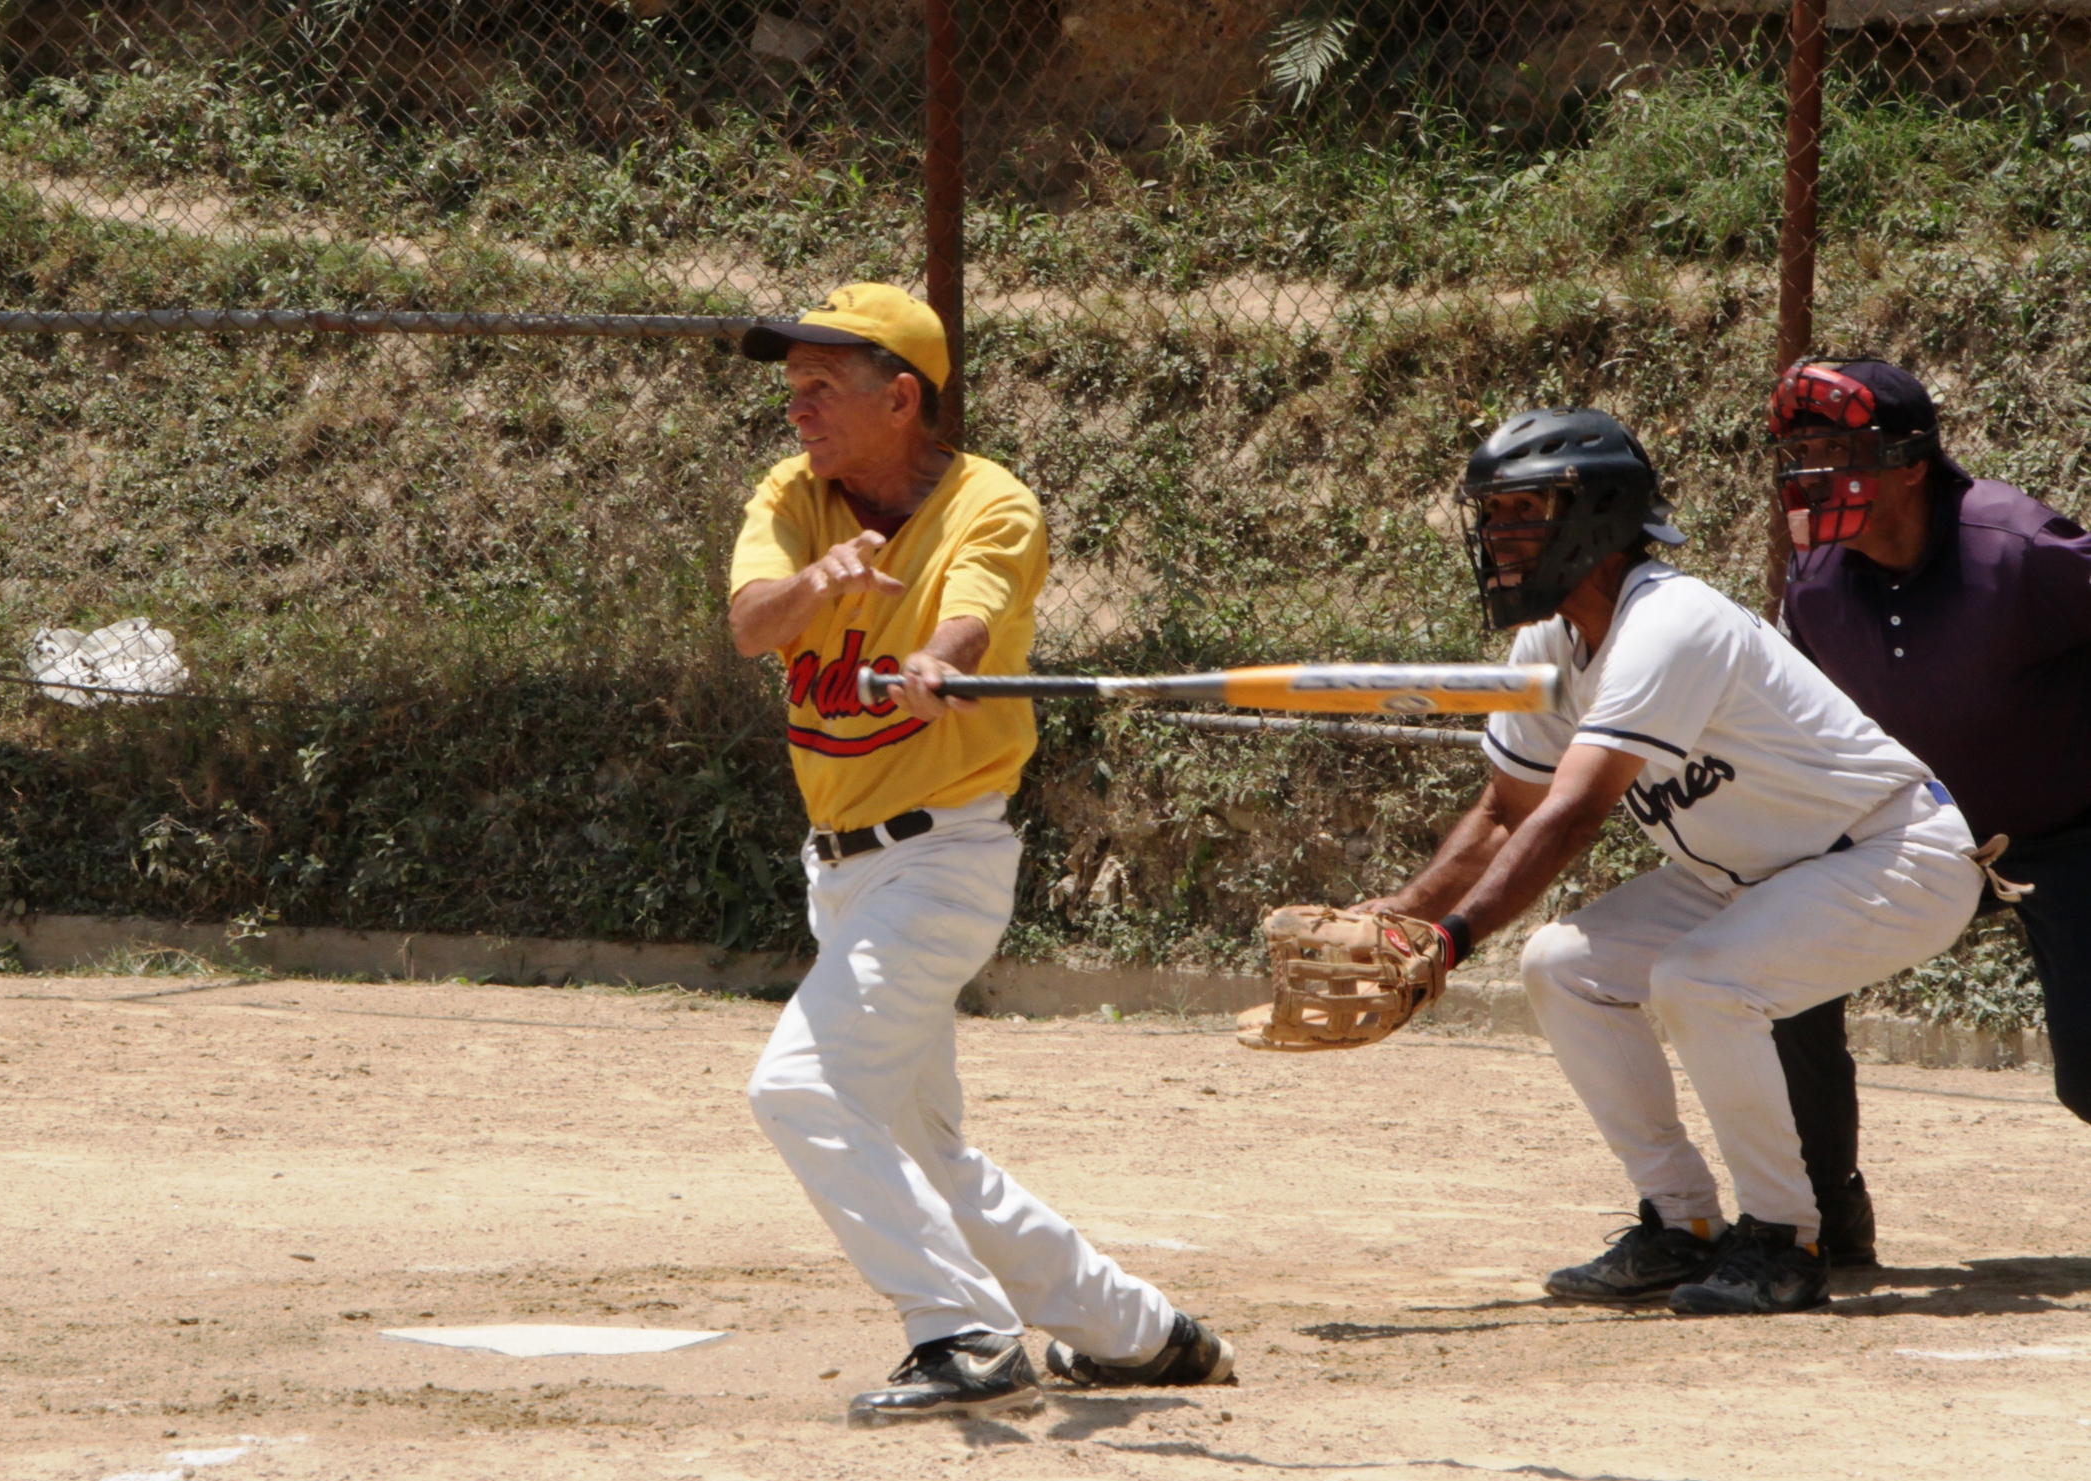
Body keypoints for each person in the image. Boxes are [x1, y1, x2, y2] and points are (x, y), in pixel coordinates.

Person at [727, 282, 1233, 1423]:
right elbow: (755, 623)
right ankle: (1135, 1332)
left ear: (901, 397)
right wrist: (823, 582)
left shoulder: (991, 504)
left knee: (799, 1089)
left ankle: (960, 1332)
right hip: (839, 868)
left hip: (939, 858)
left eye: (821, 388)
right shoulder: (793, 495)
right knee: (920, 1146)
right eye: (792, 386)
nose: (796, 409)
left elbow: (974, 605)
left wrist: (940, 659)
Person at [1357, 406, 1983, 1313]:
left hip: (1891, 853)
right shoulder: (1551, 642)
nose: (1498, 536)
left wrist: (1450, 944)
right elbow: (1506, 809)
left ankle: (1783, 1238)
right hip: (1748, 872)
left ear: (1597, 521)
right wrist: (1404, 919)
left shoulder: (1671, 620)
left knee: (1701, 980)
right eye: (1492, 516)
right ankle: (1682, 1224)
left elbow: (1570, 816)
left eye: (1523, 513)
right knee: (1562, 965)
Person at [1770, 356, 2091, 1248]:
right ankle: (1821, 1214)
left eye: (1833, 450)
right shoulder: (1817, 581)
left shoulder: (2018, 548)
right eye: (1795, 452)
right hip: (1910, 836)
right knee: (1772, 967)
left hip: (2063, 831)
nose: (1808, 475)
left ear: (1910, 463)